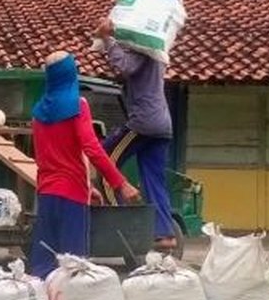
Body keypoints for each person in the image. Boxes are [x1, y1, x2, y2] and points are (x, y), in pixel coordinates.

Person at [30, 51, 142, 279]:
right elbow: (92, 149)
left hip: (46, 193)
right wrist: (121, 184)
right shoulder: (77, 105)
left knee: (42, 267)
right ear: (71, 74)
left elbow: (49, 157)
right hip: (71, 196)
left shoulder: (38, 111)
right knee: (74, 268)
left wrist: (88, 186)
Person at [94, 19, 178, 252]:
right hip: (162, 125)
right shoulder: (157, 53)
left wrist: (108, 40)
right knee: (154, 180)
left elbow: (125, 67)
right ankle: (164, 234)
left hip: (143, 124)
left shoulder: (142, 51)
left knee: (104, 161)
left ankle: (118, 225)